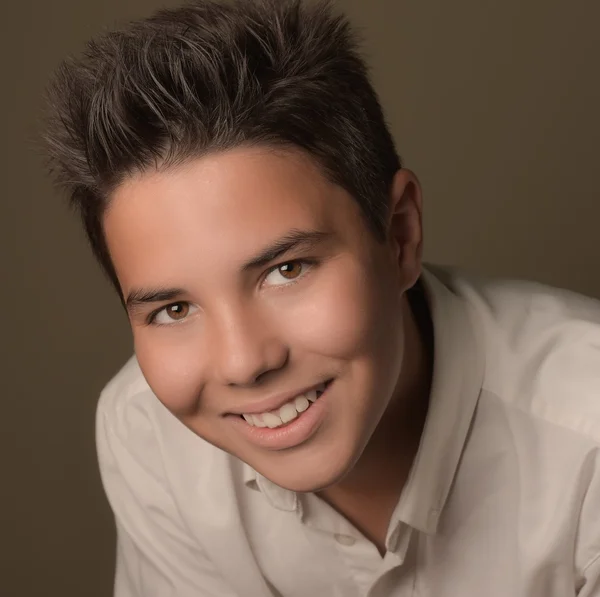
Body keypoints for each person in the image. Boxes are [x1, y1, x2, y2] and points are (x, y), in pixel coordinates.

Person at [42, 0, 600, 595]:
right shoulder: (145, 431)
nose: (243, 362)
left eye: (286, 269)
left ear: (400, 235)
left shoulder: (586, 434)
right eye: (174, 309)